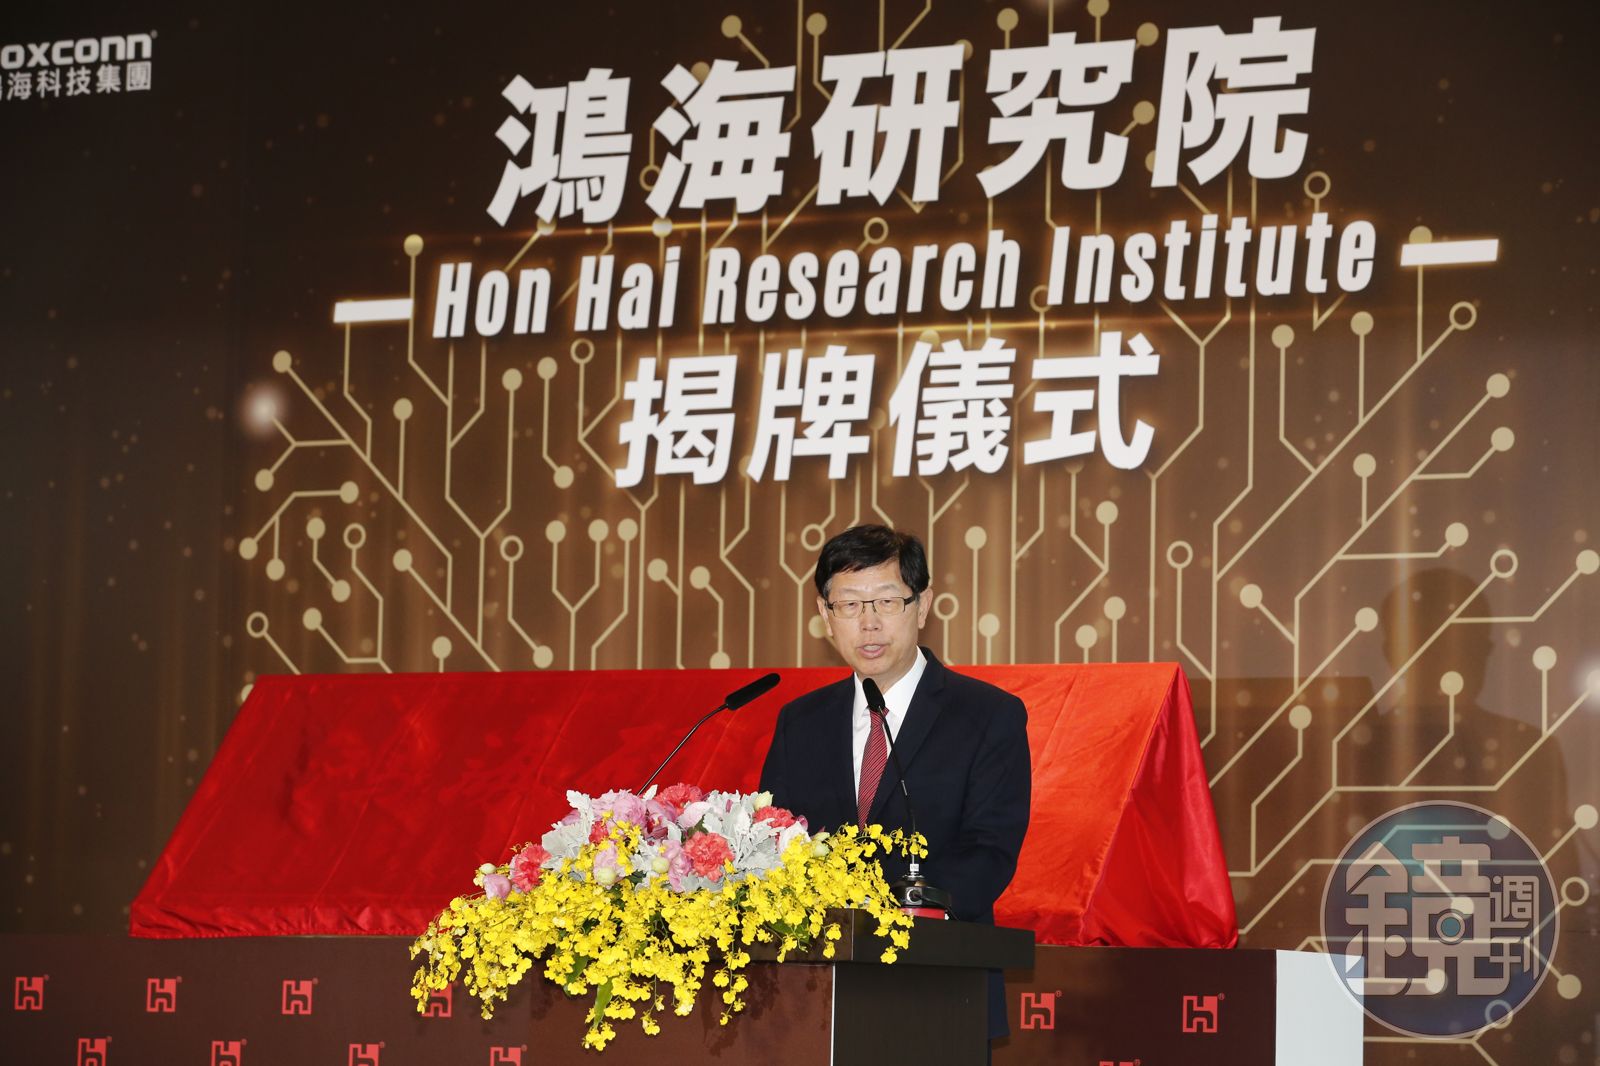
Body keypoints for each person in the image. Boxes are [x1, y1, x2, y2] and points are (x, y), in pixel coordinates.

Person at [759, 524, 1031, 1043]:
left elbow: (989, 853)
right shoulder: (801, 722)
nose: (869, 623)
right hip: (812, 998)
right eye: (849, 605)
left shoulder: (987, 715)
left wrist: (883, 912)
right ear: (825, 616)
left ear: (922, 605)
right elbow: (775, 843)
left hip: (939, 990)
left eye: (886, 601)